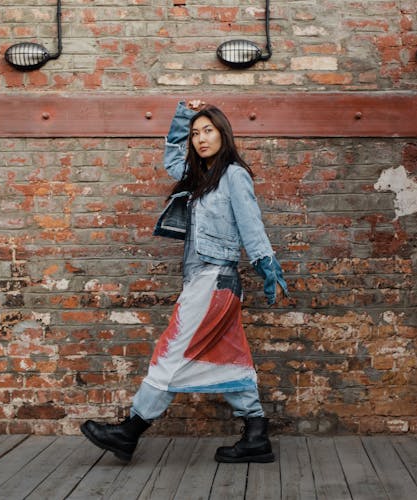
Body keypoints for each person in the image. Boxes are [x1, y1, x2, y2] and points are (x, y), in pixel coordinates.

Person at [80, 99, 288, 463]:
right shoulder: (199, 177)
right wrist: (182, 117)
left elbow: (250, 223)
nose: (200, 138)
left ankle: (130, 431)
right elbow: (172, 157)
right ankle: (256, 434)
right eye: (195, 134)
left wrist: (266, 263)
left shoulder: (233, 175)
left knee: (170, 353)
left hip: (214, 278)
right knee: (231, 361)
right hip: (207, 281)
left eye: (208, 130)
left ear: (224, 133)